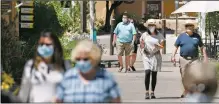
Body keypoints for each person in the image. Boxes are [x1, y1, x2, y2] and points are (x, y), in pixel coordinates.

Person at [55, 40, 121, 103]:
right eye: (78, 59)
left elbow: (116, 100)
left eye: (85, 59)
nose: (81, 62)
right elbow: (58, 100)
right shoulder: (68, 77)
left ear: (94, 58)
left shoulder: (106, 77)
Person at [18, 29, 66, 102]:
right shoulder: (30, 65)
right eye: (41, 44)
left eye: (48, 44)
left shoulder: (64, 65)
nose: (44, 47)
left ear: (55, 46)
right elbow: (23, 96)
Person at [171, 20, 208, 98]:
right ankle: (186, 90)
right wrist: (173, 56)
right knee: (184, 76)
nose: (189, 27)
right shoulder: (181, 36)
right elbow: (175, 47)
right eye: (188, 26)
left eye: (191, 26)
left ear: (193, 27)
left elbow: (202, 47)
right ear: (185, 28)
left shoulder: (197, 36)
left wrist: (205, 57)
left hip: (195, 59)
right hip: (183, 59)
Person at [140, 19, 165, 99]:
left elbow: (162, 45)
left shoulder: (159, 35)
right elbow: (141, 44)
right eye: (150, 25)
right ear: (148, 26)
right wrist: (142, 46)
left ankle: (152, 92)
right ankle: (147, 92)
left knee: (154, 74)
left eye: (153, 25)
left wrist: (158, 46)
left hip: (155, 55)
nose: (151, 27)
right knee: (147, 72)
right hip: (146, 55)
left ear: (155, 26)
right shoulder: (144, 35)